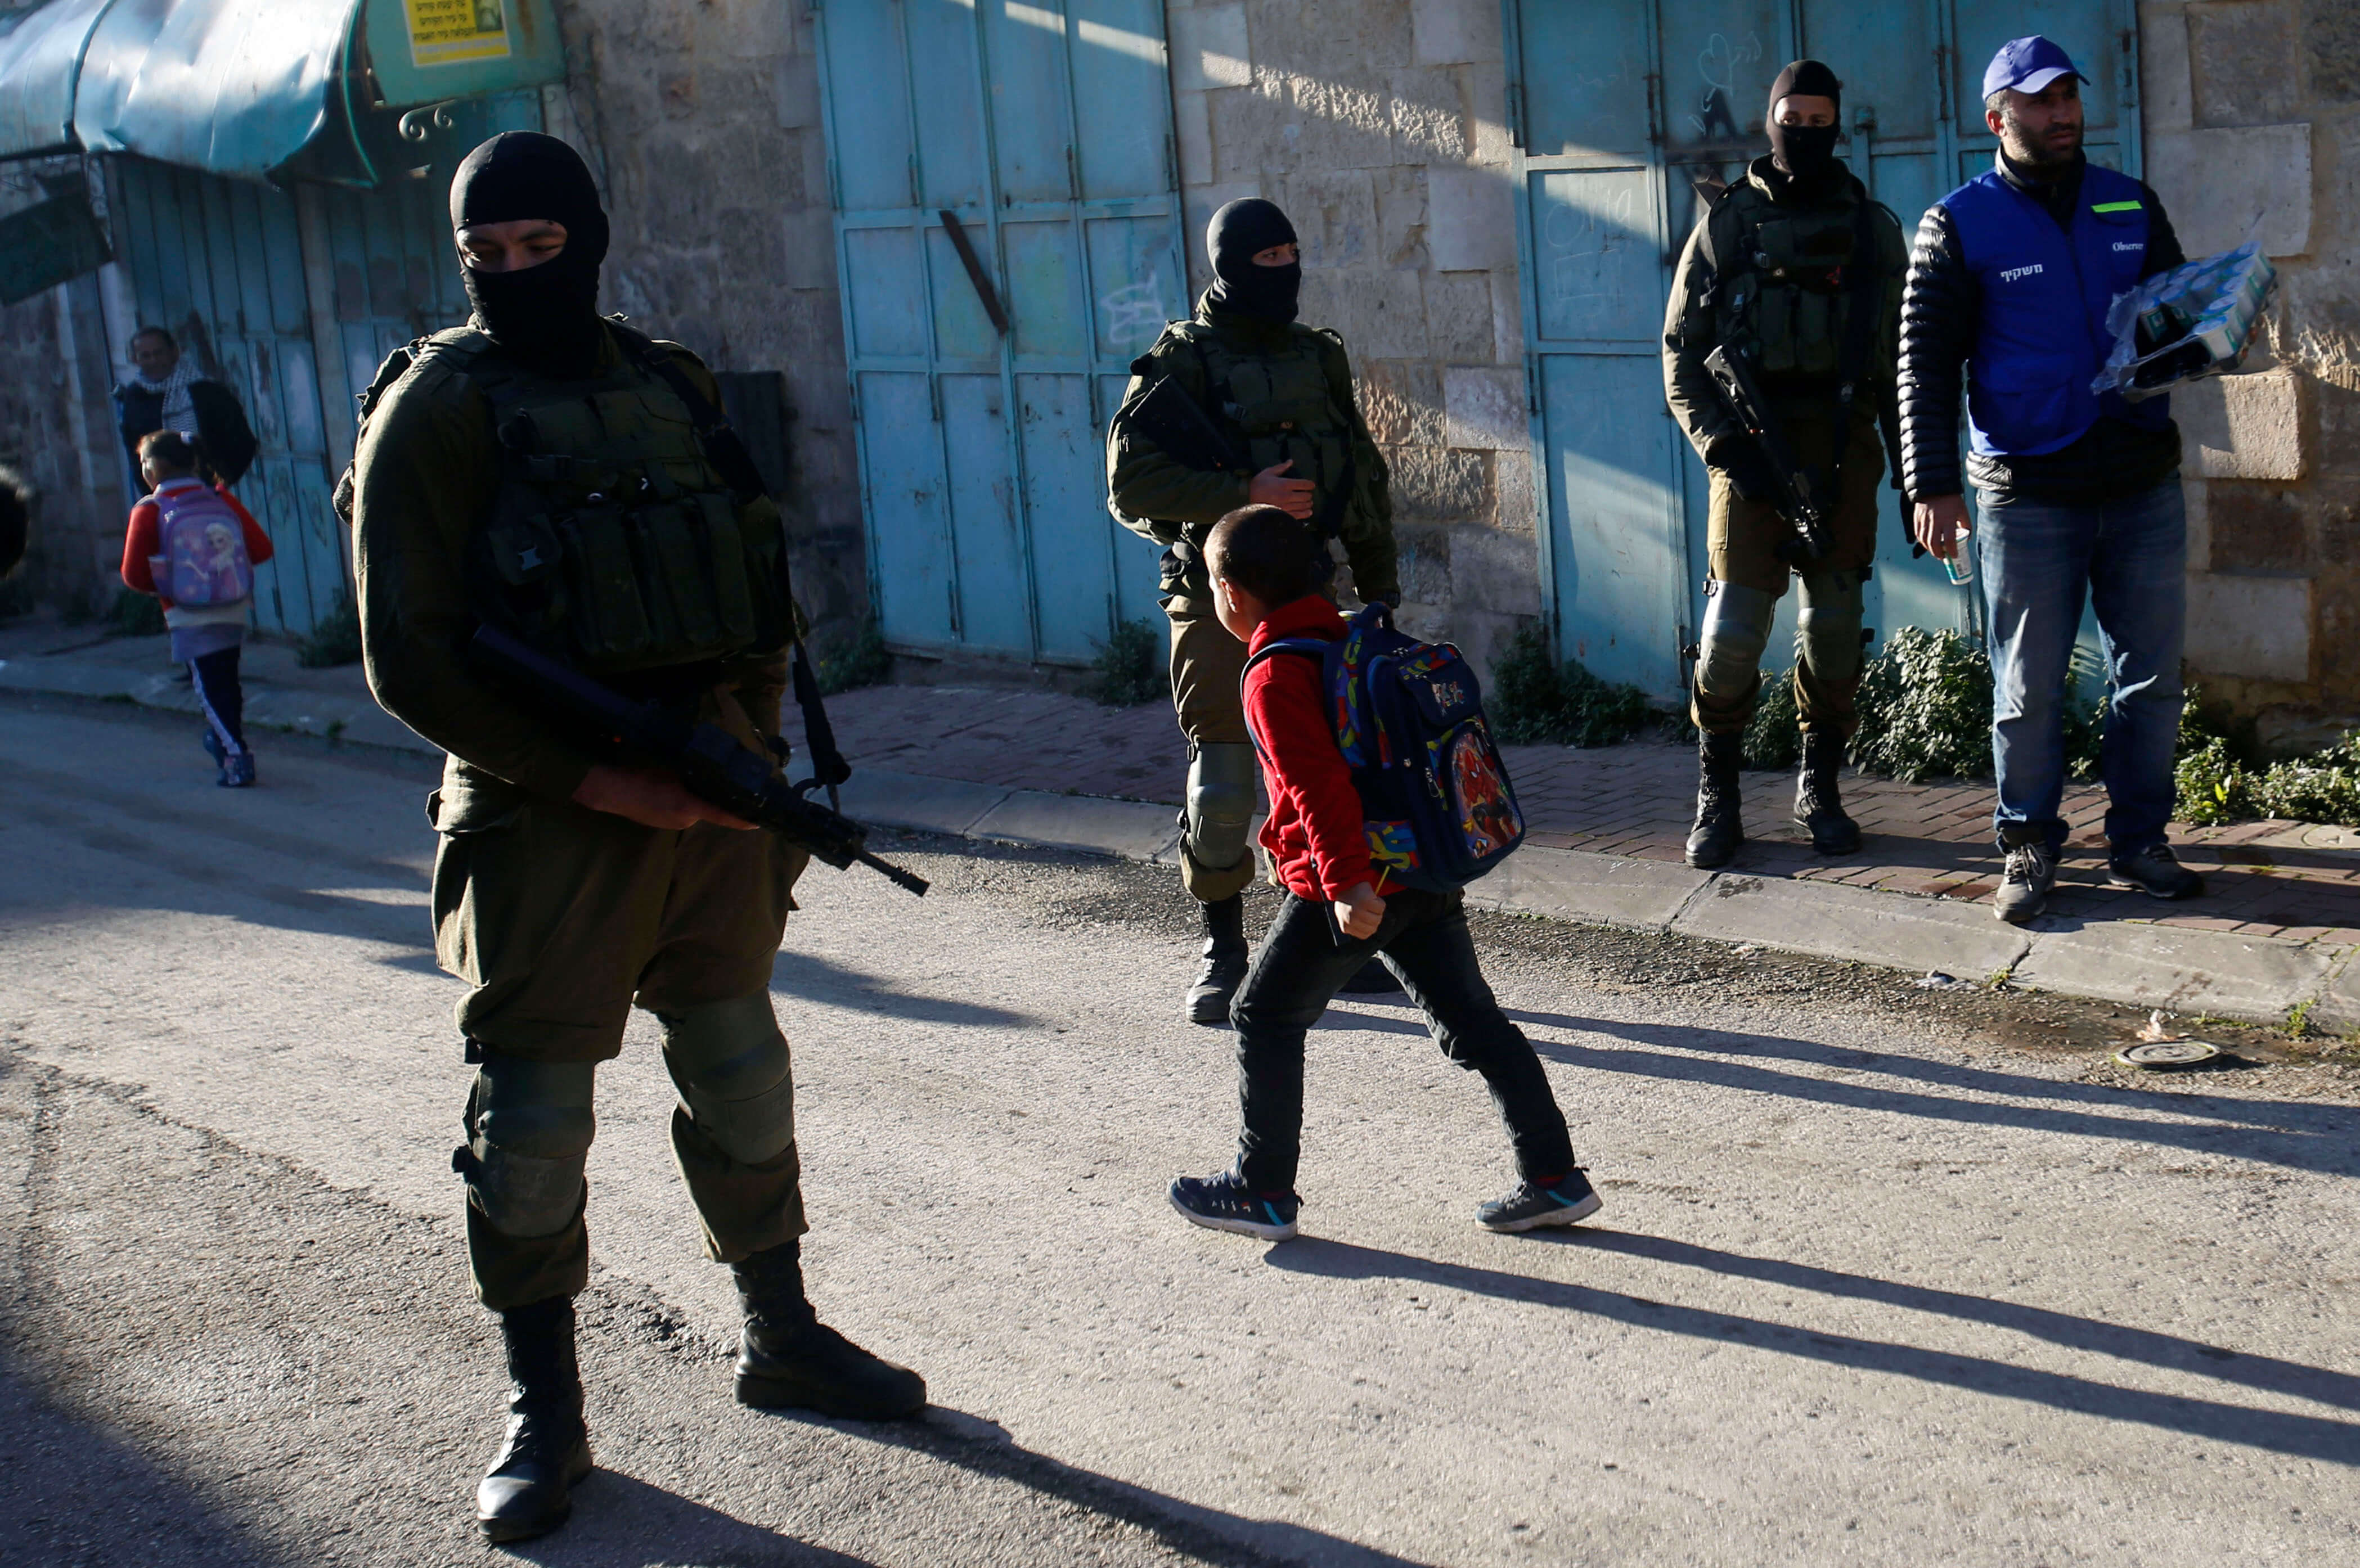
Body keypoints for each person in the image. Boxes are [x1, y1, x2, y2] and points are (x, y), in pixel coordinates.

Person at [349, 131, 923, 1547]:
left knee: (741, 1069)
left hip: (712, 800)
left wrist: (751, 751)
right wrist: (608, 788)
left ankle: (780, 1333)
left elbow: (756, 574)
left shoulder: (669, 382)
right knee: (535, 1123)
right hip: (548, 818)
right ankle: (545, 1408)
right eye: (485, 257)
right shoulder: (436, 408)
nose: (512, 277)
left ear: (590, 238)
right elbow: (406, 658)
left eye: (540, 249)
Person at [1165, 504, 1600, 1242]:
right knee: (1472, 1024)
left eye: (1209, 583)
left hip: (1353, 881)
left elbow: (1317, 787)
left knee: (1261, 1015)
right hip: (1419, 868)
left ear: (1232, 594)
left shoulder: (1272, 673)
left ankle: (1262, 1189)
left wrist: (1344, 885)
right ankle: (1552, 1176)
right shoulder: (1346, 635)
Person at [1898, 36, 2204, 923]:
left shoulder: (2127, 202)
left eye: (2067, 96)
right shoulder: (1956, 222)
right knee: (2027, 683)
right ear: (1996, 119)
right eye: (2037, 101)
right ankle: (2027, 844)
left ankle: (2139, 840)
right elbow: (1920, 365)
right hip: (2024, 491)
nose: (2060, 113)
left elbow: (2176, 312)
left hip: (2139, 478)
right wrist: (1929, 484)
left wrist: (2213, 330)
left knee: (2148, 676)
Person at [1107, 197, 1402, 1025]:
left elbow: (1358, 473)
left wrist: (1378, 589)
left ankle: (1331, 940)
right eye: (1265, 259)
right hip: (1217, 598)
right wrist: (1245, 493)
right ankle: (1222, 946)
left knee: (1330, 770)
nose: (1283, 271)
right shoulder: (1182, 360)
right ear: (1228, 266)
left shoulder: (1318, 358)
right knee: (1227, 784)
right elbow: (1129, 488)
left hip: (1312, 596)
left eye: (1290, 255)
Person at [1662, 60, 1908, 868]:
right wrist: (1719, 444)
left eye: (1815, 121)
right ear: (1768, 122)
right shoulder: (1728, 225)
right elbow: (1681, 353)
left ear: (1836, 126)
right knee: (1732, 630)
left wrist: (1914, 475)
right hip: (1748, 454)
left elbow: (1903, 361)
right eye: (1787, 120)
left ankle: (1819, 787)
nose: (1800, 134)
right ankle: (1717, 796)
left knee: (1832, 629)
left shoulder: (1870, 228)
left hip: (1842, 454)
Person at [119, 431, 272, 787]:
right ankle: (221, 740)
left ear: (154, 468)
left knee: (208, 687)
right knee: (226, 682)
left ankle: (236, 757)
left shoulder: (150, 510)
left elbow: (134, 575)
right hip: (233, 606)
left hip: (186, 612)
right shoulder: (222, 500)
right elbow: (261, 549)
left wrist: (170, 584)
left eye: (144, 463)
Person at [113, 326, 258, 491]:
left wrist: (219, 483)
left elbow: (243, 442)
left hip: (210, 492)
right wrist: (151, 495)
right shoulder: (136, 397)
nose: (154, 361)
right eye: (146, 356)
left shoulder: (206, 391)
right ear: (135, 359)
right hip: (162, 499)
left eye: (159, 353)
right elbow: (134, 452)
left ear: (174, 352)